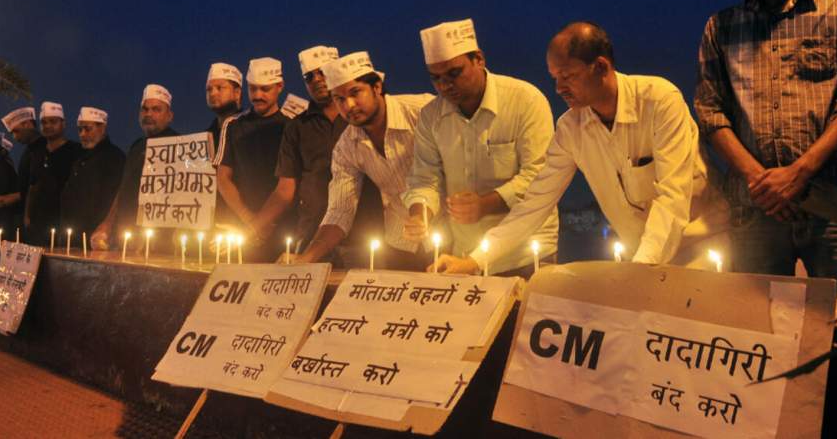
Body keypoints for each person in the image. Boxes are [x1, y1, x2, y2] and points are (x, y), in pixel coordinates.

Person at [464, 22, 729, 275]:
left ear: (601, 67)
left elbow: (673, 196)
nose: (558, 88)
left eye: (567, 76)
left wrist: (641, 267)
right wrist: (475, 260)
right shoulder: (571, 128)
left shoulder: (659, 101)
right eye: (554, 77)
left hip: (700, 252)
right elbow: (535, 202)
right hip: (640, 259)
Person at [694, 0, 837, 284]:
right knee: (758, 334)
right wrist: (762, 182)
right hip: (757, 210)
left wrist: (799, 174)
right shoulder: (721, 28)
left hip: (835, 203)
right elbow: (710, 111)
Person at [404, 18, 559, 276]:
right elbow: (424, 177)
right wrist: (420, 214)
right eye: (436, 78)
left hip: (526, 255)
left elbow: (539, 179)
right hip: (463, 255)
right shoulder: (431, 117)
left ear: (479, 59)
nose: (445, 85)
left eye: (454, 73)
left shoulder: (525, 101)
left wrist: (486, 204)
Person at [292, 51, 434, 269]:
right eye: (339, 99)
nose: (348, 105)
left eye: (355, 92)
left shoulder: (424, 112)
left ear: (377, 87)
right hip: (401, 244)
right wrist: (307, 258)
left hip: (453, 236)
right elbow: (340, 210)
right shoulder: (346, 146)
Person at [253, 45, 383, 255]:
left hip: (366, 238)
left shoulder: (362, 118)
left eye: (322, 72)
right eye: (308, 76)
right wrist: (252, 228)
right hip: (311, 235)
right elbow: (285, 189)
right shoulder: (296, 126)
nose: (316, 80)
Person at [217, 57, 293, 257]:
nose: (258, 95)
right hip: (240, 229)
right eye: (253, 89)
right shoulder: (233, 124)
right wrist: (251, 222)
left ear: (280, 86)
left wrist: (261, 223)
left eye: (265, 89)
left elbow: (290, 183)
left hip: (283, 230)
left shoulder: (293, 125)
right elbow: (223, 178)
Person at [92, 84, 178, 249]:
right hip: (126, 237)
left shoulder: (179, 144)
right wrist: (107, 224)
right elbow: (123, 188)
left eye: (156, 109)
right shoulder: (136, 146)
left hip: (160, 244)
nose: (149, 114)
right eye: (144, 109)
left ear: (169, 116)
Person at [60, 107, 126, 241]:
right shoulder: (80, 158)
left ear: (102, 128)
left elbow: (117, 197)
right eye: (80, 129)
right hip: (73, 234)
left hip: (97, 235)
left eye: (88, 129)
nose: (82, 134)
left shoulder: (114, 157)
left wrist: (105, 227)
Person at [25, 102, 82, 245]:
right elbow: (32, 186)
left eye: (53, 121)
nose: (48, 126)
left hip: (63, 222)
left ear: (63, 124)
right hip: (38, 223)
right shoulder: (37, 152)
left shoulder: (76, 151)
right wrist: (27, 215)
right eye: (44, 122)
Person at [0, 106, 42, 235]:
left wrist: (15, 197)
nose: (15, 138)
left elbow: (37, 185)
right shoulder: (29, 150)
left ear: (27, 124)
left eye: (16, 131)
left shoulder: (43, 149)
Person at [205, 62, 244, 158]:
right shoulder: (206, 136)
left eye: (219, 88)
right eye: (209, 89)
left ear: (237, 93)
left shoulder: (250, 130)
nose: (213, 93)